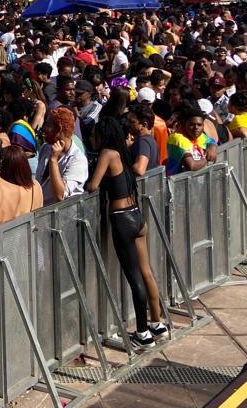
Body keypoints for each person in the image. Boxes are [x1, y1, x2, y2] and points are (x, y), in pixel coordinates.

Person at [85, 116, 165, 349]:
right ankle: (156, 323)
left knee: (134, 277)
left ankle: (142, 333)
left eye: (94, 135)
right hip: (136, 216)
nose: (92, 139)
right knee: (146, 271)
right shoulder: (122, 153)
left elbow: (93, 185)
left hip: (122, 220)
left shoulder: (107, 154)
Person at [35, 107, 88, 205]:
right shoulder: (45, 148)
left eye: (48, 125)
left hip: (62, 217)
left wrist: (53, 160)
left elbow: (61, 195)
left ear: (58, 129)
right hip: (41, 212)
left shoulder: (77, 159)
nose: (44, 128)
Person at [165, 105, 217, 175]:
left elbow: (212, 141)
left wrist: (211, 149)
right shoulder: (177, 138)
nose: (196, 128)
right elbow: (191, 165)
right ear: (184, 124)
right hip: (178, 183)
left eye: (199, 125)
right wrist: (206, 158)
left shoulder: (199, 136)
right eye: (192, 125)